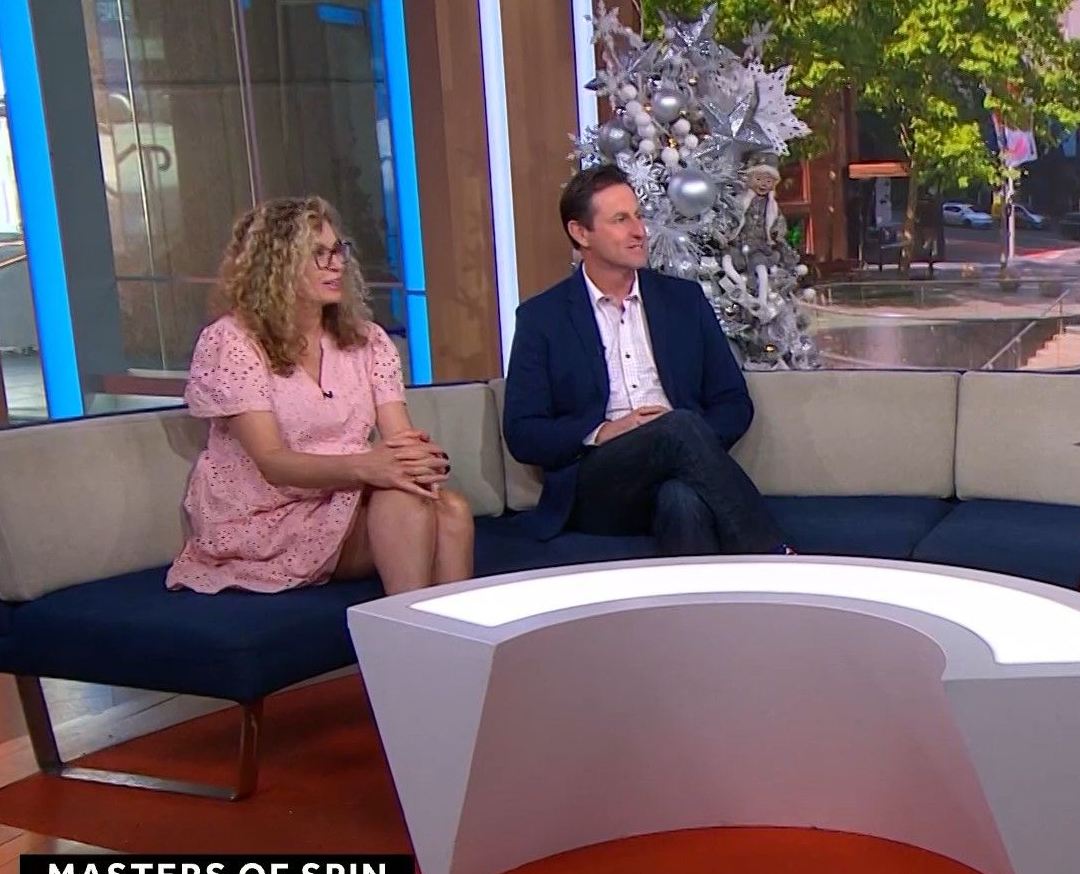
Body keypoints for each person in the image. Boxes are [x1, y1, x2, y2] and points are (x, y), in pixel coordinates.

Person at [167, 197, 472, 596]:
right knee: (407, 505)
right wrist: (368, 466)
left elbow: (399, 438)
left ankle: (440, 633)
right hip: (266, 511)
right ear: (276, 264)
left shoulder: (368, 341)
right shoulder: (233, 341)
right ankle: (407, 627)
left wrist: (418, 460)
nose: (336, 264)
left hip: (342, 496)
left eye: (338, 250)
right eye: (318, 254)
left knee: (453, 511)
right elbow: (272, 462)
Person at [502, 164, 793, 554]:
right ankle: (772, 555)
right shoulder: (543, 318)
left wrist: (688, 445)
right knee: (676, 427)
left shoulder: (684, 301)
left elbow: (734, 403)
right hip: (598, 483)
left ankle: (703, 599)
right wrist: (603, 431)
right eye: (620, 220)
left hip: (678, 473)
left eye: (638, 216)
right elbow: (523, 432)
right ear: (581, 233)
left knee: (682, 501)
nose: (639, 230)